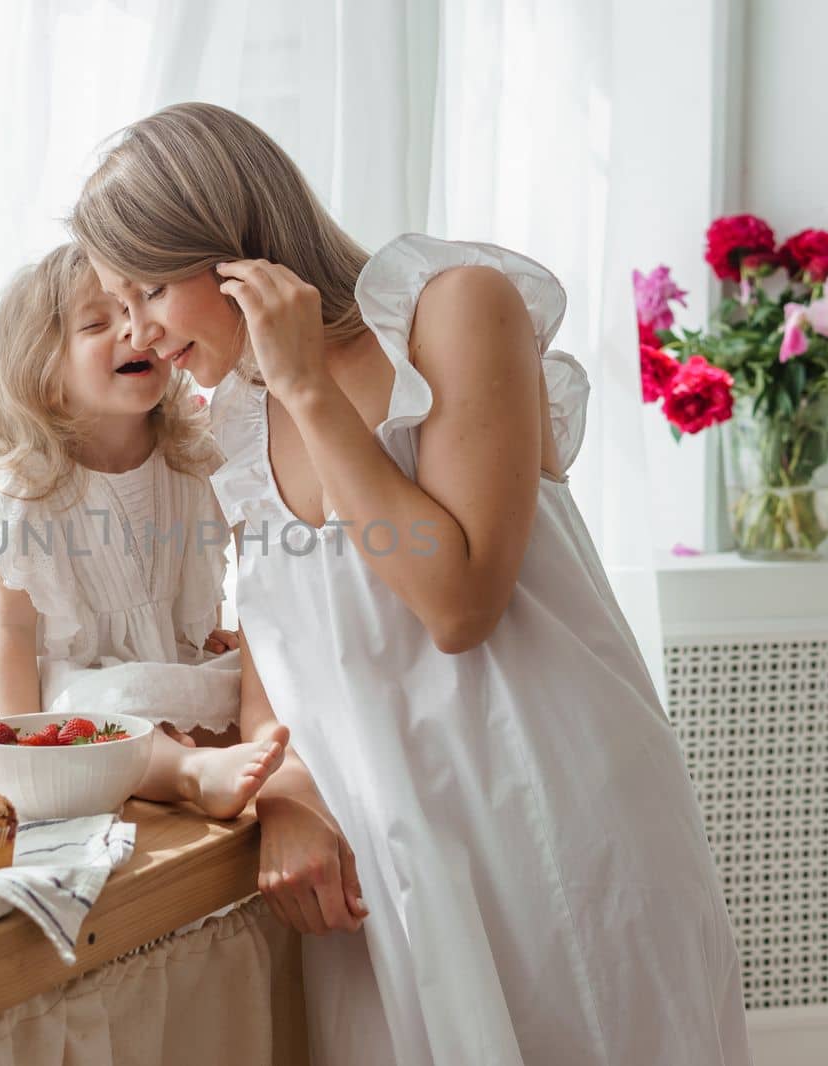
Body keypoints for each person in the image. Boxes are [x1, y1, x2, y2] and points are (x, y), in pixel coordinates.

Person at [72, 102, 751, 1065]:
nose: (137, 335)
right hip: (396, 866)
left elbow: (458, 602)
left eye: (145, 290)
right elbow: (276, 638)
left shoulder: (450, 307)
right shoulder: (232, 419)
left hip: (549, 820)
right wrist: (289, 790)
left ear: (229, 248)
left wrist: (306, 387)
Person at [0, 243, 287, 818]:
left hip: (163, 664)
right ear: (45, 372)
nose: (134, 333)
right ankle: (189, 773)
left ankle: (202, 754)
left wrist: (214, 634)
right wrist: (25, 746)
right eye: (98, 322)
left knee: (244, 684)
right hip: (51, 685)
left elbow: (233, 571)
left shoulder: (194, 461)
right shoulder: (24, 492)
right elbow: (14, 638)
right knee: (102, 713)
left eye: (137, 313)